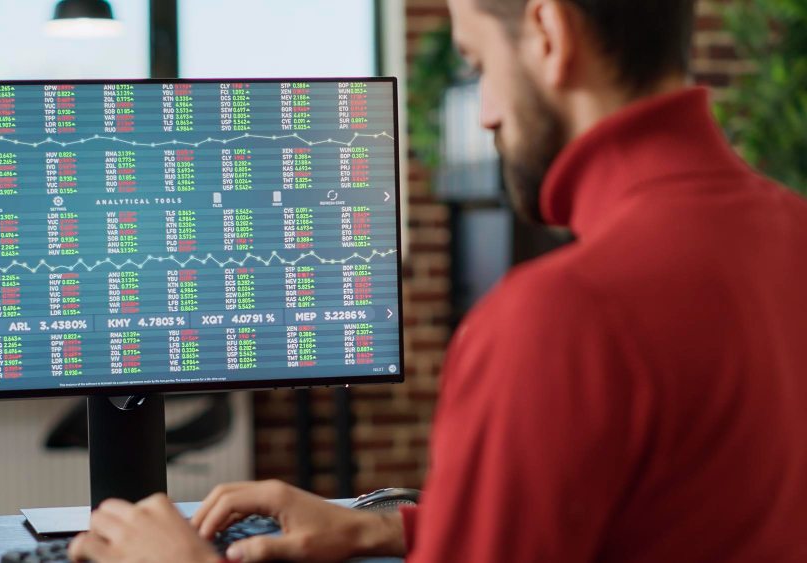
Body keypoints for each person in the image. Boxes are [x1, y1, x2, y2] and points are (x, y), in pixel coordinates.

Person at [69, 0, 807, 560]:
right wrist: (380, 528)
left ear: (549, 36)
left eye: (478, 64)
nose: (484, 113)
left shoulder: (556, 320)